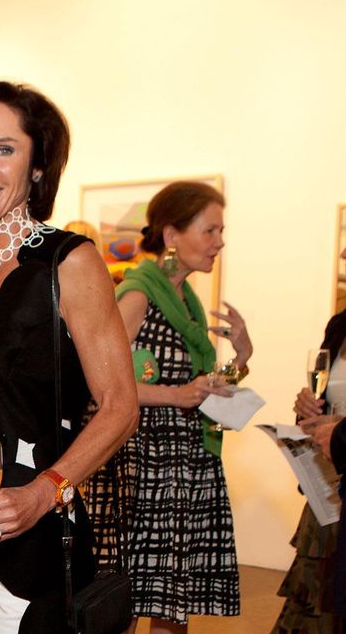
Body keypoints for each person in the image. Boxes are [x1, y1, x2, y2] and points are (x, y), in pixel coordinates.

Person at [0, 81, 138, 633]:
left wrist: (45, 494)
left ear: (37, 167)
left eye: (4, 149)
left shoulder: (70, 261)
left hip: (33, 541)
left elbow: (119, 407)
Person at [88, 181, 252, 634]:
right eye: (210, 230)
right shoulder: (138, 296)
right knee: (128, 602)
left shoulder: (188, 302)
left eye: (221, 231)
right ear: (172, 235)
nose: (220, 242)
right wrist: (178, 396)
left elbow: (199, 387)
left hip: (185, 465)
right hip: (146, 467)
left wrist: (241, 357)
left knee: (170, 604)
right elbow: (103, 386)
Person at [277, 243, 346, 632]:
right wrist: (308, 407)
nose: (342, 255)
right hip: (329, 485)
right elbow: (322, 399)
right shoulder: (339, 326)